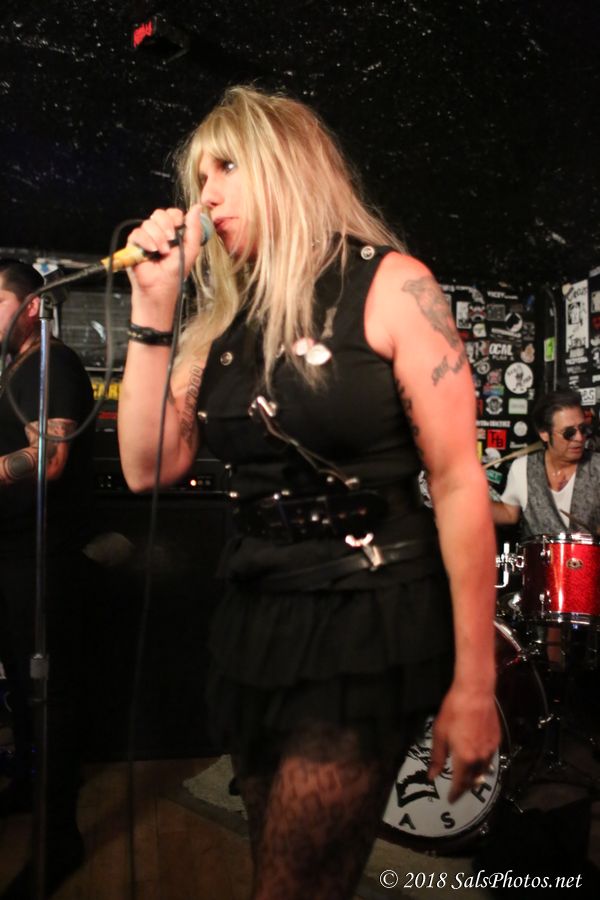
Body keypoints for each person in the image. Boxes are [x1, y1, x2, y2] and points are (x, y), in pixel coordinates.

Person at [117, 85, 500, 899]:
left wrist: (476, 683)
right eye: (199, 177)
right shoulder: (220, 321)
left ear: (287, 165)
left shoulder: (392, 285)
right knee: (282, 864)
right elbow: (147, 467)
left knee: (291, 885)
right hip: (258, 616)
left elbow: (459, 480)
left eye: (227, 167)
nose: (206, 196)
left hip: (368, 614)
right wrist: (152, 313)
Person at [0, 260, 95, 898]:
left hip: (42, 559)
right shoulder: (16, 365)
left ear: (32, 305)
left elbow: (50, 458)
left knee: (47, 698)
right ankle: (27, 787)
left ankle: (60, 838)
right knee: (21, 688)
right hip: (11, 554)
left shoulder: (52, 364)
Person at [491, 389, 600, 536]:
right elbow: (509, 514)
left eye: (583, 429)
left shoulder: (597, 467)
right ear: (544, 434)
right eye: (569, 433)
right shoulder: (522, 468)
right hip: (540, 551)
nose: (579, 438)